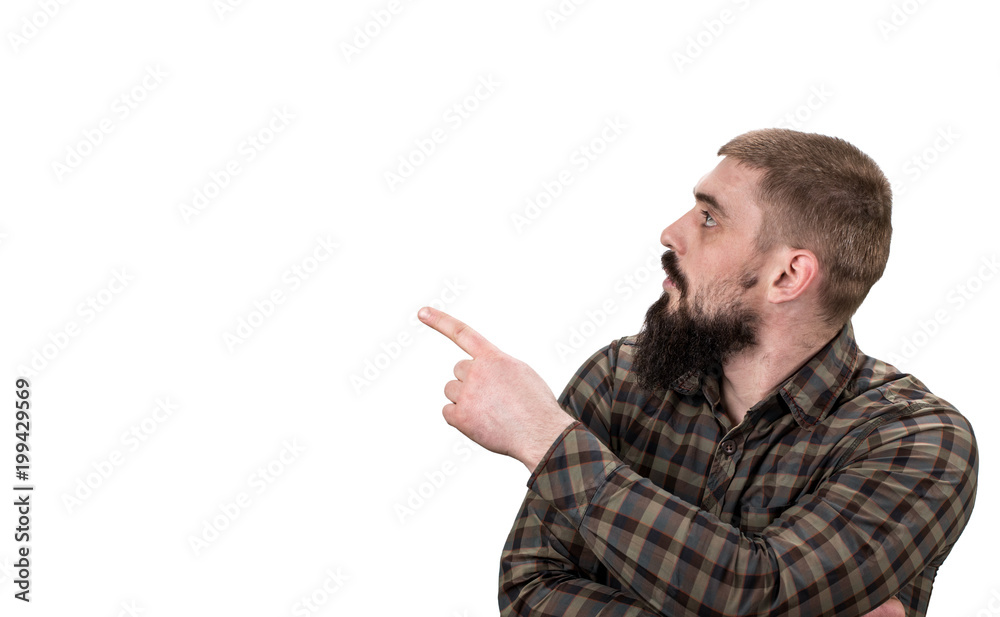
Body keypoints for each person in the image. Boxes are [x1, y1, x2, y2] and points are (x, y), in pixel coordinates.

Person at [417, 128, 978, 617]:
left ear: (787, 276)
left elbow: (756, 594)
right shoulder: (620, 379)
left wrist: (545, 438)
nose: (671, 232)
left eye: (709, 218)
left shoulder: (917, 442)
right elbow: (530, 590)